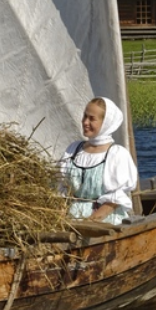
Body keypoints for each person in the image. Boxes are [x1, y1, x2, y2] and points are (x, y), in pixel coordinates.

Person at [59, 96, 139, 226]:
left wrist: (90, 222)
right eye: (85, 116)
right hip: (71, 220)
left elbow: (114, 200)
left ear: (105, 123)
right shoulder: (73, 150)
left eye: (92, 119)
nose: (85, 122)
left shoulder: (116, 154)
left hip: (104, 222)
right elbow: (62, 188)